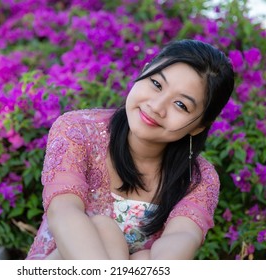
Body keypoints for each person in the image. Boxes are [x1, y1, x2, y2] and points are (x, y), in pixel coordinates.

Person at [26, 39, 235, 260]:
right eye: (156, 84)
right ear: (145, 71)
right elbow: (63, 210)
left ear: (200, 126)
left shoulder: (199, 179)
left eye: (181, 105)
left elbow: (182, 238)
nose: (156, 107)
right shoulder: (77, 129)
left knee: (145, 258)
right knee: (103, 229)